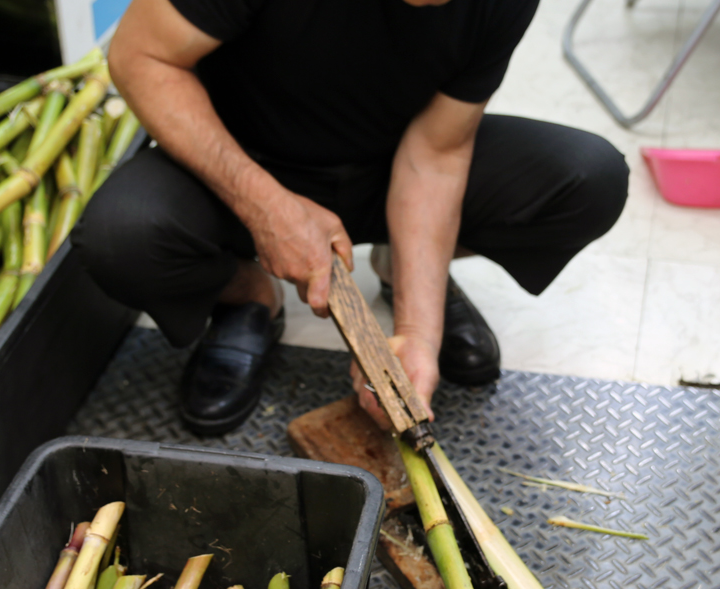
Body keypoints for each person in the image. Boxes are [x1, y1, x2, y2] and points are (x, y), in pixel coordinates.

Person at [73, 0, 629, 435]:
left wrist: (417, 329)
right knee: (120, 236)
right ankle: (248, 297)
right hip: (243, 159)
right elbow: (138, 56)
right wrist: (265, 207)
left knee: (588, 180)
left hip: (391, 165)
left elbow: (436, 152)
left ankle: (401, 264)